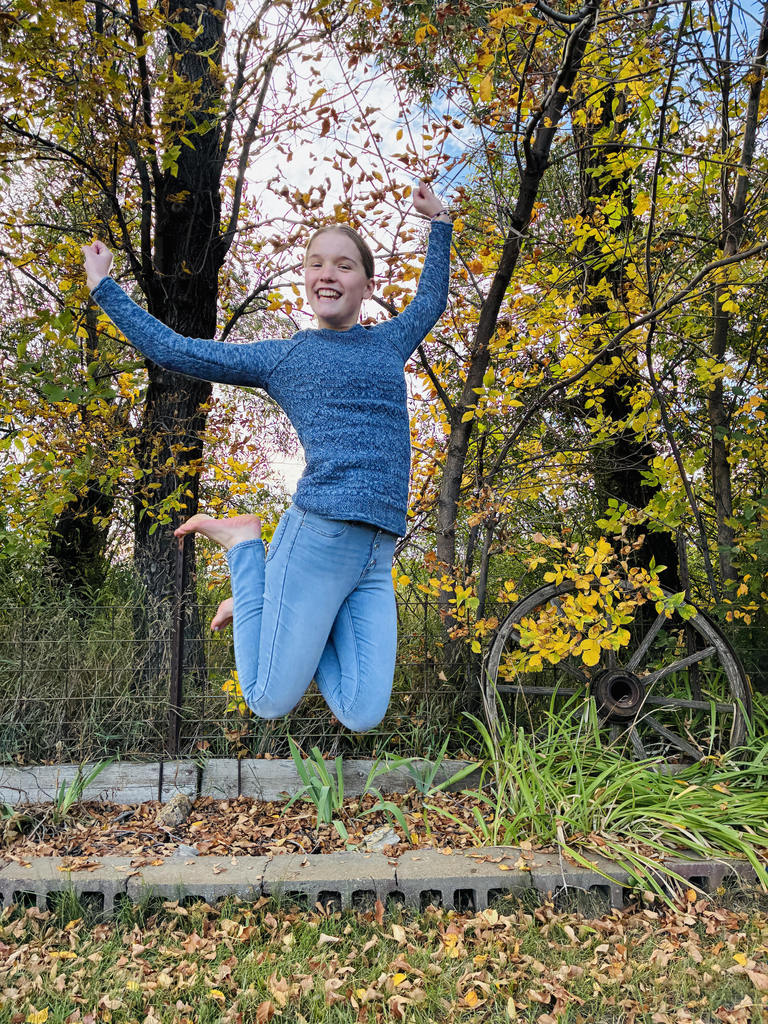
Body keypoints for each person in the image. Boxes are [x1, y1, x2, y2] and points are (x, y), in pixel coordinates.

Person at [82, 182, 452, 732]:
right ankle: (245, 548)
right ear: (305, 278)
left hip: (377, 551)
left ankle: (267, 595)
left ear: (367, 286)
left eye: (344, 265)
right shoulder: (287, 357)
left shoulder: (389, 342)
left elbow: (431, 300)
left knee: (362, 712)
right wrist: (104, 287)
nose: (327, 273)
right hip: (319, 536)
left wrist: (440, 222)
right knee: (265, 699)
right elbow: (176, 350)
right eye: (315, 263)